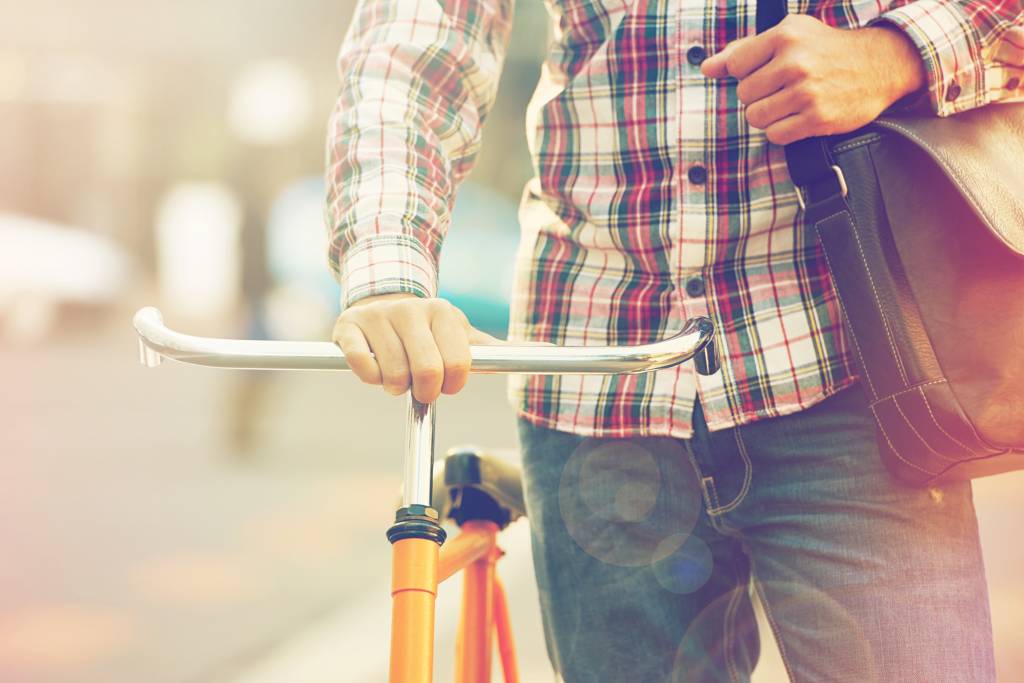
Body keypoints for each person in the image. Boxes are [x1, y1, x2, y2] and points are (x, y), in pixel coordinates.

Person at [326, 1, 1022, 680]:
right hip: (595, 378)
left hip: (855, 368)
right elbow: (413, 46)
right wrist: (389, 271)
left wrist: (896, 53)